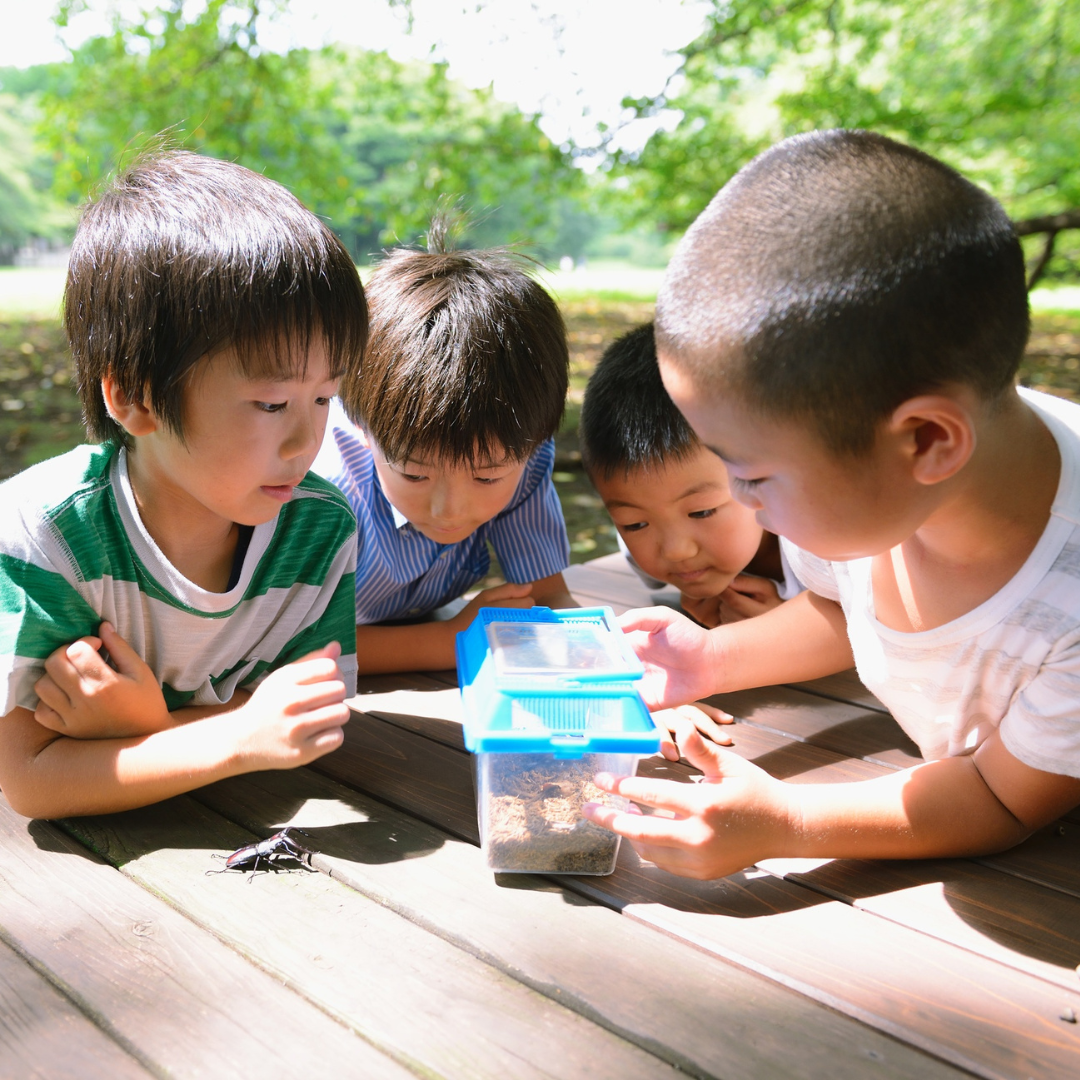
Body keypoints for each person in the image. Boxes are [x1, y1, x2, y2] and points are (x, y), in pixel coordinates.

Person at [583, 129, 1080, 879]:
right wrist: (708, 659)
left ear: (924, 441)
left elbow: (998, 797)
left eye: (750, 476)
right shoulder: (881, 479)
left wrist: (788, 822)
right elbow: (843, 608)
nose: (743, 501)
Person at [0, 150, 367, 820]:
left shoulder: (320, 529)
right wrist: (235, 731)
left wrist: (138, 725)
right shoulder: (47, 538)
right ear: (137, 398)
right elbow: (30, 780)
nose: (305, 442)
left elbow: (310, 726)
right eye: (271, 404)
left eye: (325, 398)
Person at [313, 221, 576, 674]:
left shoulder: (522, 456)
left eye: (487, 477)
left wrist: (632, 682)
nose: (450, 509)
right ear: (360, 427)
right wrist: (452, 639)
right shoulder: (321, 492)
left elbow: (547, 599)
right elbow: (290, 649)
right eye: (414, 475)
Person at [579, 322, 802, 629]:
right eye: (634, 524)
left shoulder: (829, 544)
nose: (676, 551)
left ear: (765, 475)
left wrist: (786, 628)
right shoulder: (644, 537)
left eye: (702, 511)